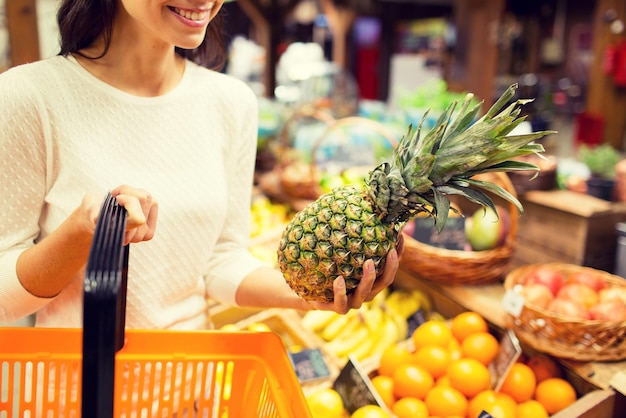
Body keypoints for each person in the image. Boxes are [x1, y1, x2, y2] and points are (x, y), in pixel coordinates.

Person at [0, 0, 400, 330]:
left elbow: (221, 261)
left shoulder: (231, 103)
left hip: (192, 386)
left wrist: (316, 295)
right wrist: (78, 236)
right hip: (76, 391)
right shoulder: (31, 97)